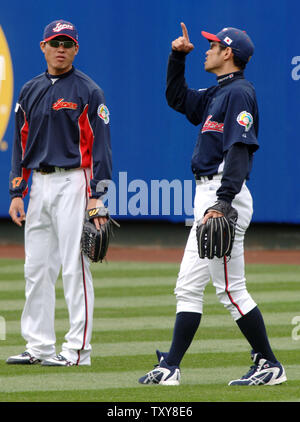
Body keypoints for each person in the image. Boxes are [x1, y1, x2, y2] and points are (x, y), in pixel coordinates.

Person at [138, 23, 287, 386]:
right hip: (210, 196)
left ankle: (269, 364)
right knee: (188, 285)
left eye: (213, 45)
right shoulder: (218, 92)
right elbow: (177, 99)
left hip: (224, 195)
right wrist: (177, 57)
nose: (207, 49)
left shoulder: (240, 93)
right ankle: (170, 366)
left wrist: (222, 203)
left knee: (231, 290)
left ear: (228, 54)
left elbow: (239, 150)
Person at [7, 19, 112, 366]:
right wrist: (17, 191)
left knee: (74, 266)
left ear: (76, 49)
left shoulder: (88, 91)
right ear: (43, 47)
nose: (61, 49)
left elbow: (101, 147)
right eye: (55, 43)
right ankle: (38, 346)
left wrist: (98, 195)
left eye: (67, 43)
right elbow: (21, 145)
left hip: (74, 182)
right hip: (39, 184)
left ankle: (77, 351)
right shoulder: (28, 90)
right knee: (36, 267)